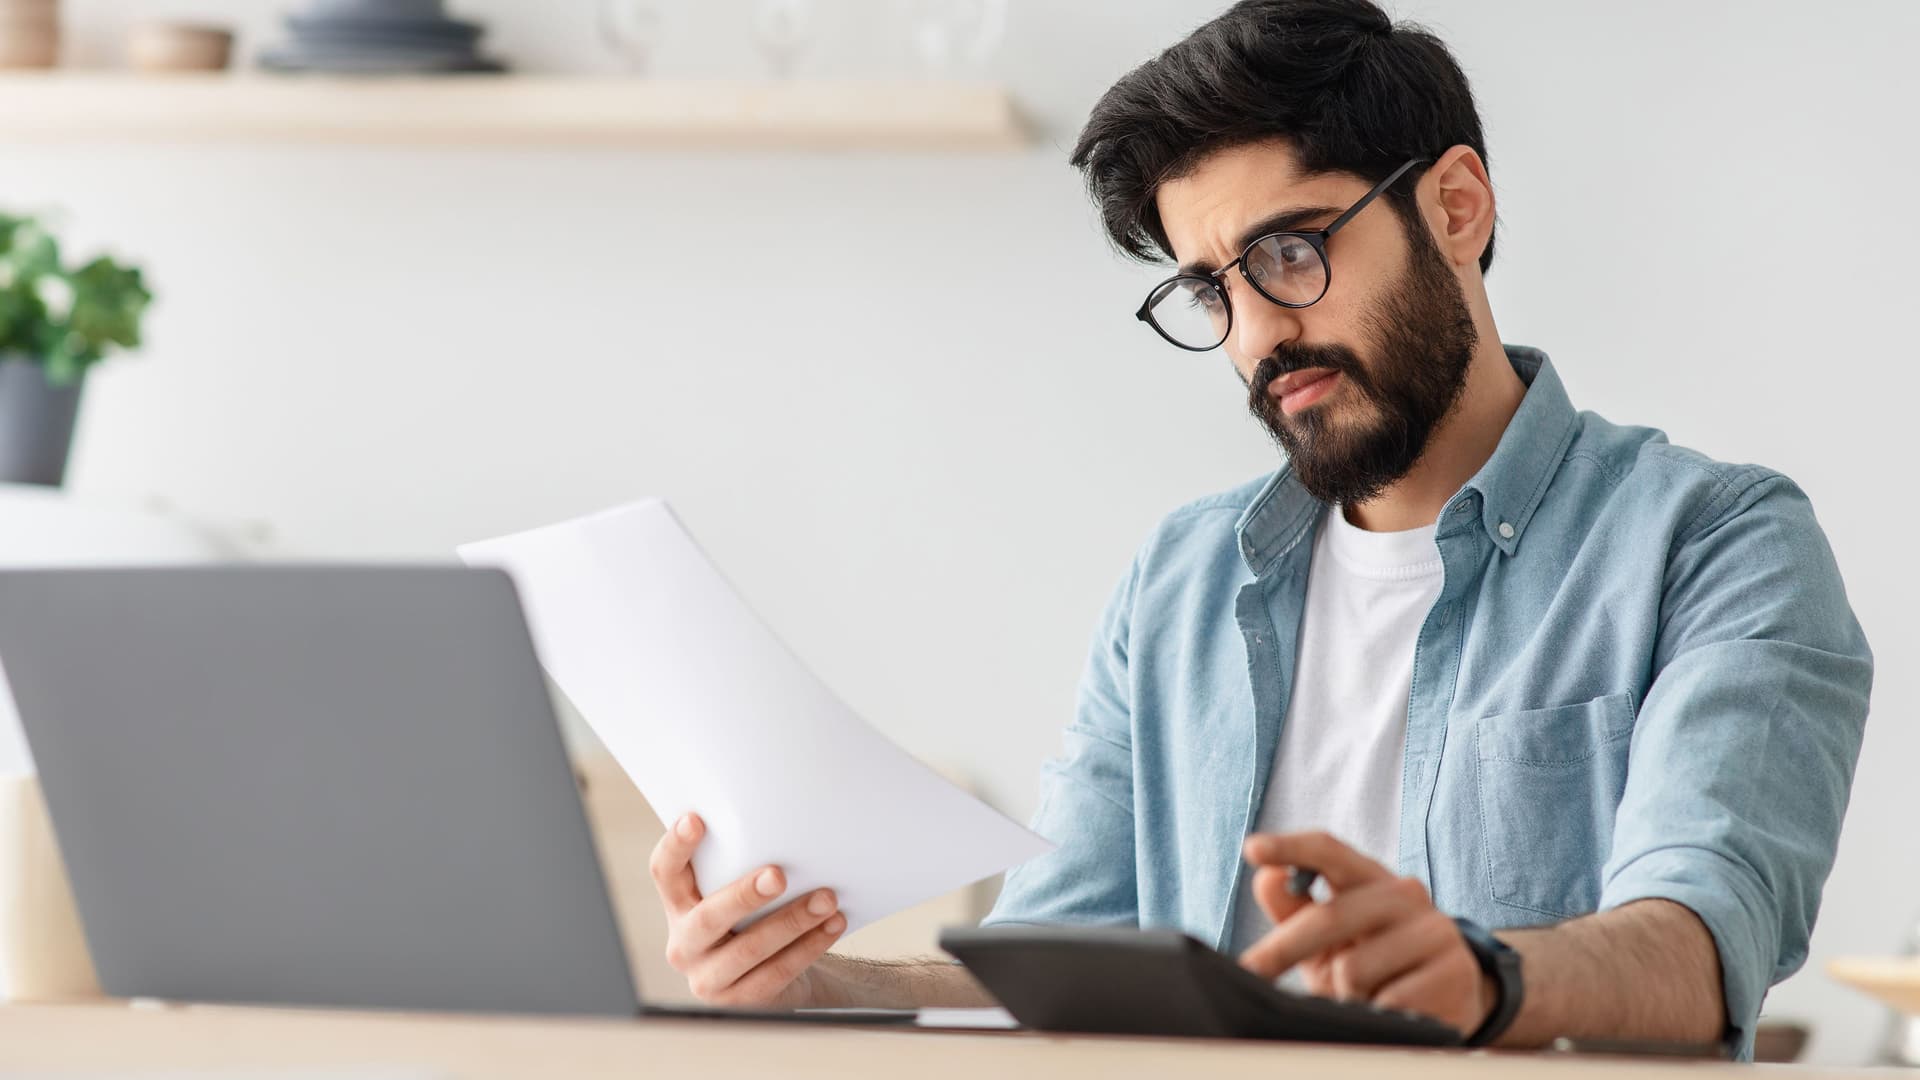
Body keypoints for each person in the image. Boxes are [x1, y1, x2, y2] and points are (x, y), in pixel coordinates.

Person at [644, 0, 1873, 1057]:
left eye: (1291, 252)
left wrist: (1481, 979)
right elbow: (1055, 968)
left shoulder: (1715, 544)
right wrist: (819, 990)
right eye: (1210, 287)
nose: (1254, 336)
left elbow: (1704, 941)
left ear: (1455, 206)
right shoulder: (1182, 577)